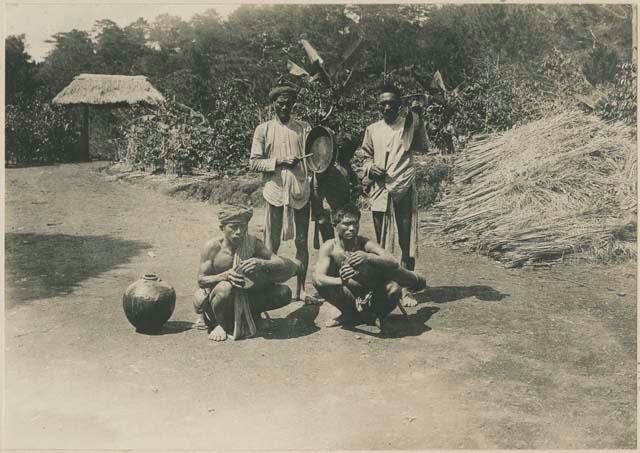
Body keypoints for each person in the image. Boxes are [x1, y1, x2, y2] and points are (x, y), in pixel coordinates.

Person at [360, 83, 428, 307]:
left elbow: (421, 146)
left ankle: (407, 289)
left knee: (405, 241)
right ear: (379, 106)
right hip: (380, 188)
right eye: (383, 104)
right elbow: (366, 157)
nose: (387, 107)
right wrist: (371, 168)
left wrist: (418, 117)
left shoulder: (408, 127)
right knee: (381, 242)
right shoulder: (372, 129)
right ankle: (384, 286)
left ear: (399, 104)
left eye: (392, 103)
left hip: (404, 186)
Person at [193, 204, 301, 342]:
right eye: (233, 227)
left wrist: (260, 263)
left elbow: (278, 262)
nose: (239, 232)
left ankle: (254, 315)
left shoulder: (252, 243)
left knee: (283, 293)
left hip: (246, 295)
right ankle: (220, 324)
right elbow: (201, 280)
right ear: (222, 228)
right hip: (218, 297)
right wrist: (224, 276)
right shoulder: (212, 248)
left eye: (243, 226)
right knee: (225, 288)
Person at [313, 204, 426, 334]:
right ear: (335, 225)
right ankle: (350, 314)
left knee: (394, 287)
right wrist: (341, 281)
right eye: (346, 224)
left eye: (355, 224)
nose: (352, 228)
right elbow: (319, 276)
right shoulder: (330, 247)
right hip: (348, 293)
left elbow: (393, 261)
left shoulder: (364, 243)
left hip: (373, 292)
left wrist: (367, 257)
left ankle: (378, 314)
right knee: (316, 280)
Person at [250, 83, 312, 303]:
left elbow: (315, 158)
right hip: (275, 191)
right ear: (273, 103)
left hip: (300, 190)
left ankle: (302, 289)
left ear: (294, 104)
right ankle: (268, 287)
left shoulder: (304, 128)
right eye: (280, 102)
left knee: (302, 241)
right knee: (271, 242)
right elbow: (254, 163)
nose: (285, 106)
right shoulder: (263, 129)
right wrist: (280, 162)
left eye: (289, 102)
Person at [310, 131, 362, 245]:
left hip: (342, 208)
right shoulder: (326, 165)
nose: (351, 155)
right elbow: (315, 189)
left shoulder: (345, 165)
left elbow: (355, 181)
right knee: (329, 243)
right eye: (348, 152)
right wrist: (319, 212)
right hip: (327, 210)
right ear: (339, 148)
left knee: (345, 241)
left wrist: (357, 188)